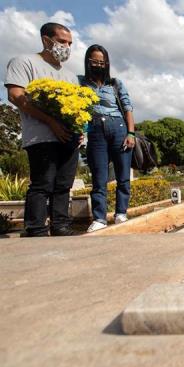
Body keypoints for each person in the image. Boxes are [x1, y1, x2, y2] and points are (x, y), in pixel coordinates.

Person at [4, 22, 80, 237]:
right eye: (62, 41)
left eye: (70, 43)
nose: (66, 47)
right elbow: (16, 96)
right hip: (41, 137)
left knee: (64, 185)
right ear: (46, 40)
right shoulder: (24, 62)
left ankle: (61, 226)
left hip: (68, 137)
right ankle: (35, 228)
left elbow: (78, 107)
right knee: (42, 183)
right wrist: (50, 121)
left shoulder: (70, 76)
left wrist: (79, 129)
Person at [79, 44, 136, 233]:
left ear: (106, 63)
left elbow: (127, 108)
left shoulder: (115, 83)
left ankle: (121, 213)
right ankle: (99, 217)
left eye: (101, 62)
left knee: (122, 175)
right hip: (95, 130)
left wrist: (131, 133)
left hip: (118, 127)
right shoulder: (80, 83)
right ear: (88, 62)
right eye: (94, 61)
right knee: (99, 176)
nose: (98, 64)